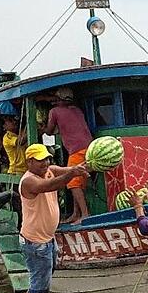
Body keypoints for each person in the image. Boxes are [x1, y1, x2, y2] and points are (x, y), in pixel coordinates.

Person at [19, 144, 89, 293]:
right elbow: (52, 185)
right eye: (41, 160)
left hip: (48, 237)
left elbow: (67, 170)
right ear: (30, 162)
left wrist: (86, 166)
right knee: (41, 280)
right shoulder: (28, 181)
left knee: (49, 269)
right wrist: (73, 173)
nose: (46, 163)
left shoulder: (49, 171)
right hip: (36, 241)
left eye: (47, 159)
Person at [44, 87, 93, 224]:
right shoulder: (77, 110)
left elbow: (49, 131)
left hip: (77, 150)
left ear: (58, 99)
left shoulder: (54, 111)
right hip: (89, 148)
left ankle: (85, 215)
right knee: (78, 182)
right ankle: (76, 214)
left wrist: (43, 128)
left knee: (73, 184)